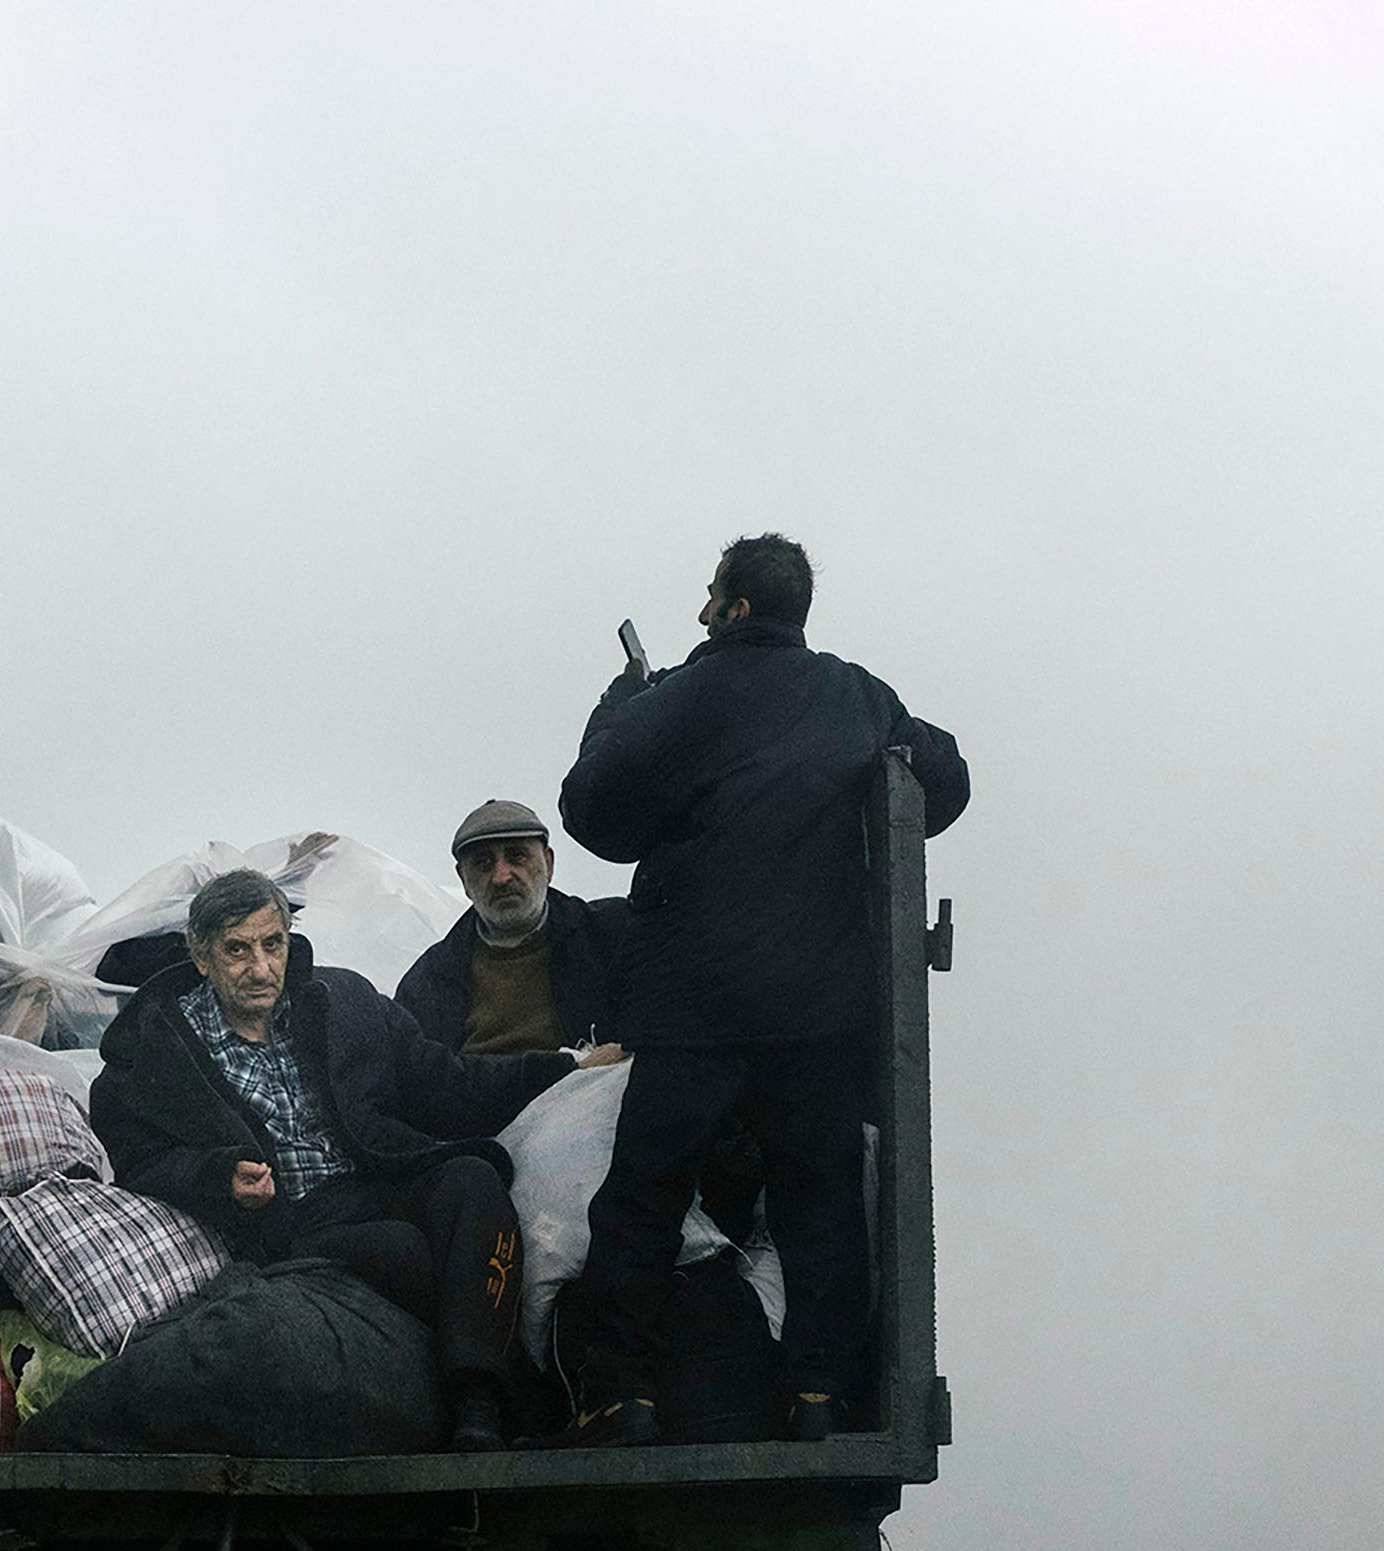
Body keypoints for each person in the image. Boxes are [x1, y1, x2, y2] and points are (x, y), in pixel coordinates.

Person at [556, 532, 969, 1445]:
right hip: (818, 1014)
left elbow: (590, 806)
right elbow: (945, 779)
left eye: (711, 595)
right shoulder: (859, 695)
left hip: (691, 1011)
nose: (702, 611)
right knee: (817, 1203)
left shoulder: (677, 697)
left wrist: (620, 700)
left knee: (644, 1200)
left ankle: (621, 1394)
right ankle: (817, 1394)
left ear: (736, 606)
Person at [92, 868, 622, 1450]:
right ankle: (509, 1406)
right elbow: (139, 1160)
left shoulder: (343, 1002)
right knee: (400, 1251)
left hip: (380, 1176)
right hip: (295, 1219)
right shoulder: (153, 1054)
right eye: (237, 951)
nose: (261, 968)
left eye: (273, 945)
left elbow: (444, 1080)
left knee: (472, 1179)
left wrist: (564, 1068)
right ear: (200, 956)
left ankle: (478, 1405)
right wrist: (216, 1176)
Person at [393, 799, 630, 1057]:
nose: (501, 877)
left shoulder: (613, 934)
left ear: (548, 863)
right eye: (483, 864)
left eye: (517, 856)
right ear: (463, 879)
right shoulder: (429, 983)